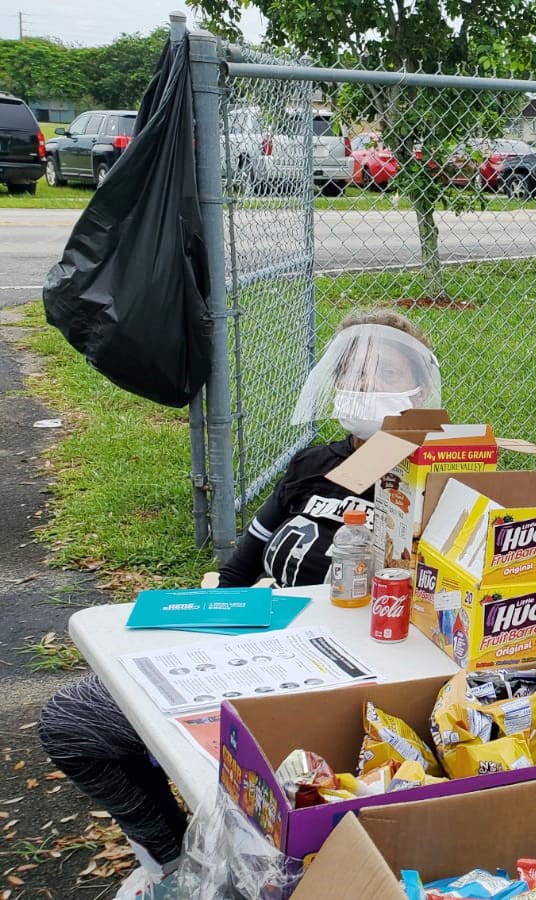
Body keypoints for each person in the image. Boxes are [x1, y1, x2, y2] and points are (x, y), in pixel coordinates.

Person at [36, 311, 440, 886]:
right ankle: (174, 860)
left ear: (420, 387)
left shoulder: (438, 479)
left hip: (358, 671)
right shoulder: (313, 465)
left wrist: (417, 454)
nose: (365, 382)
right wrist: (201, 630)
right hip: (263, 649)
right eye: (355, 368)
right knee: (73, 721)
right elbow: (242, 565)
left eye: (385, 370)